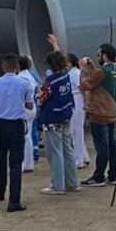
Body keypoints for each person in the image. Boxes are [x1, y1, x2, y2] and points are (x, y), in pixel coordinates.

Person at [0, 54, 34, 212]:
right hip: (16, 125)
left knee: (0, 159)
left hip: (1, 124)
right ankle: (14, 200)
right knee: (15, 163)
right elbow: (29, 105)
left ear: (3, 67)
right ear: (16, 67)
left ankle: (0, 190)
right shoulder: (24, 83)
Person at [38, 50, 79, 195]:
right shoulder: (66, 74)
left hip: (52, 118)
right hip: (66, 115)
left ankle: (57, 185)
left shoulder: (50, 81)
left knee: (55, 153)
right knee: (67, 150)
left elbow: (41, 97)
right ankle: (72, 182)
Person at [79, 43, 116, 187]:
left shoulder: (102, 72)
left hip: (99, 114)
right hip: (111, 113)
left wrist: (84, 69)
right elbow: (99, 79)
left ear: (104, 55)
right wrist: (92, 68)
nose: (98, 57)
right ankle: (113, 175)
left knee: (102, 148)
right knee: (112, 146)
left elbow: (85, 85)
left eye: (99, 55)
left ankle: (98, 177)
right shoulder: (115, 70)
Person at [67, 53, 91, 169]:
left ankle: (78, 160)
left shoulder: (75, 73)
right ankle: (84, 156)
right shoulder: (72, 73)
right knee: (76, 130)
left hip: (77, 99)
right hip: (74, 99)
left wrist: (86, 103)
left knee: (76, 131)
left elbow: (83, 89)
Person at [17, 56, 39, 173]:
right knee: (28, 135)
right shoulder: (30, 76)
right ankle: (28, 162)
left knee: (24, 137)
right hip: (31, 107)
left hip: (25, 108)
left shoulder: (21, 78)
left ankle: (26, 163)